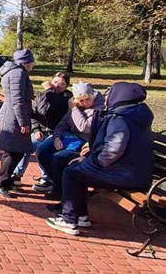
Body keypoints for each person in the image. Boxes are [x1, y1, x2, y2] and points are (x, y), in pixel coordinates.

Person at [46, 82, 154, 235]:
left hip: (125, 174)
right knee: (75, 168)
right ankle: (81, 216)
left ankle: (69, 220)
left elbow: (113, 148)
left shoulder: (120, 118)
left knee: (72, 173)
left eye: (109, 93)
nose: (105, 97)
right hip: (133, 172)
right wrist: (88, 158)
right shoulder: (133, 114)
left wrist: (93, 162)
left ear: (119, 96)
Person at [34, 82, 104, 197]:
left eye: (87, 99)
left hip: (86, 144)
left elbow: (85, 127)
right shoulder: (76, 106)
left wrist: (74, 109)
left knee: (59, 157)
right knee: (42, 151)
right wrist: (56, 137)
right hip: (68, 138)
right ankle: (57, 183)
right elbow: (63, 123)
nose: (84, 103)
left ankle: (60, 190)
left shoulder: (99, 108)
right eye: (81, 101)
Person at [13, 72, 72, 186]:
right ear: (51, 81)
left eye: (62, 84)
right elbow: (34, 113)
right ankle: (16, 174)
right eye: (55, 82)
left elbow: (56, 106)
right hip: (41, 130)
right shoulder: (43, 95)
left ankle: (46, 178)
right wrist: (36, 130)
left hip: (56, 133)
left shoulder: (68, 98)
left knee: (42, 149)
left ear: (66, 86)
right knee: (25, 145)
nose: (58, 85)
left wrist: (49, 90)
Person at [0, 49, 35, 198]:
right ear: (27, 62)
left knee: (12, 150)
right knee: (15, 151)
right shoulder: (19, 73)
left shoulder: (14, 71)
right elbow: (18, 101)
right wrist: (23, 122)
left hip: (11, 115)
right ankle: (0, 182)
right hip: (14, 117)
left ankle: (6, 181)